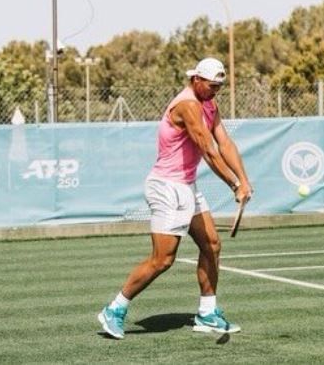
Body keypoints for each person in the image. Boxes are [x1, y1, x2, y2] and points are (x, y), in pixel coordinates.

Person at [98, 57, 253, 339]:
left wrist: (244, 179)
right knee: (163, 259)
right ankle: (114, 309)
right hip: (166, 188)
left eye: (219, 85)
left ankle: (207, 313)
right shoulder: (187, 105)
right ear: (196, 80)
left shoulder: (209, 103)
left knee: (212, 245)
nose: (215, 90)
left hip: (186, 186)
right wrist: (233, 184)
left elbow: (225, 143)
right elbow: (208, 149)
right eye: (211, 85)